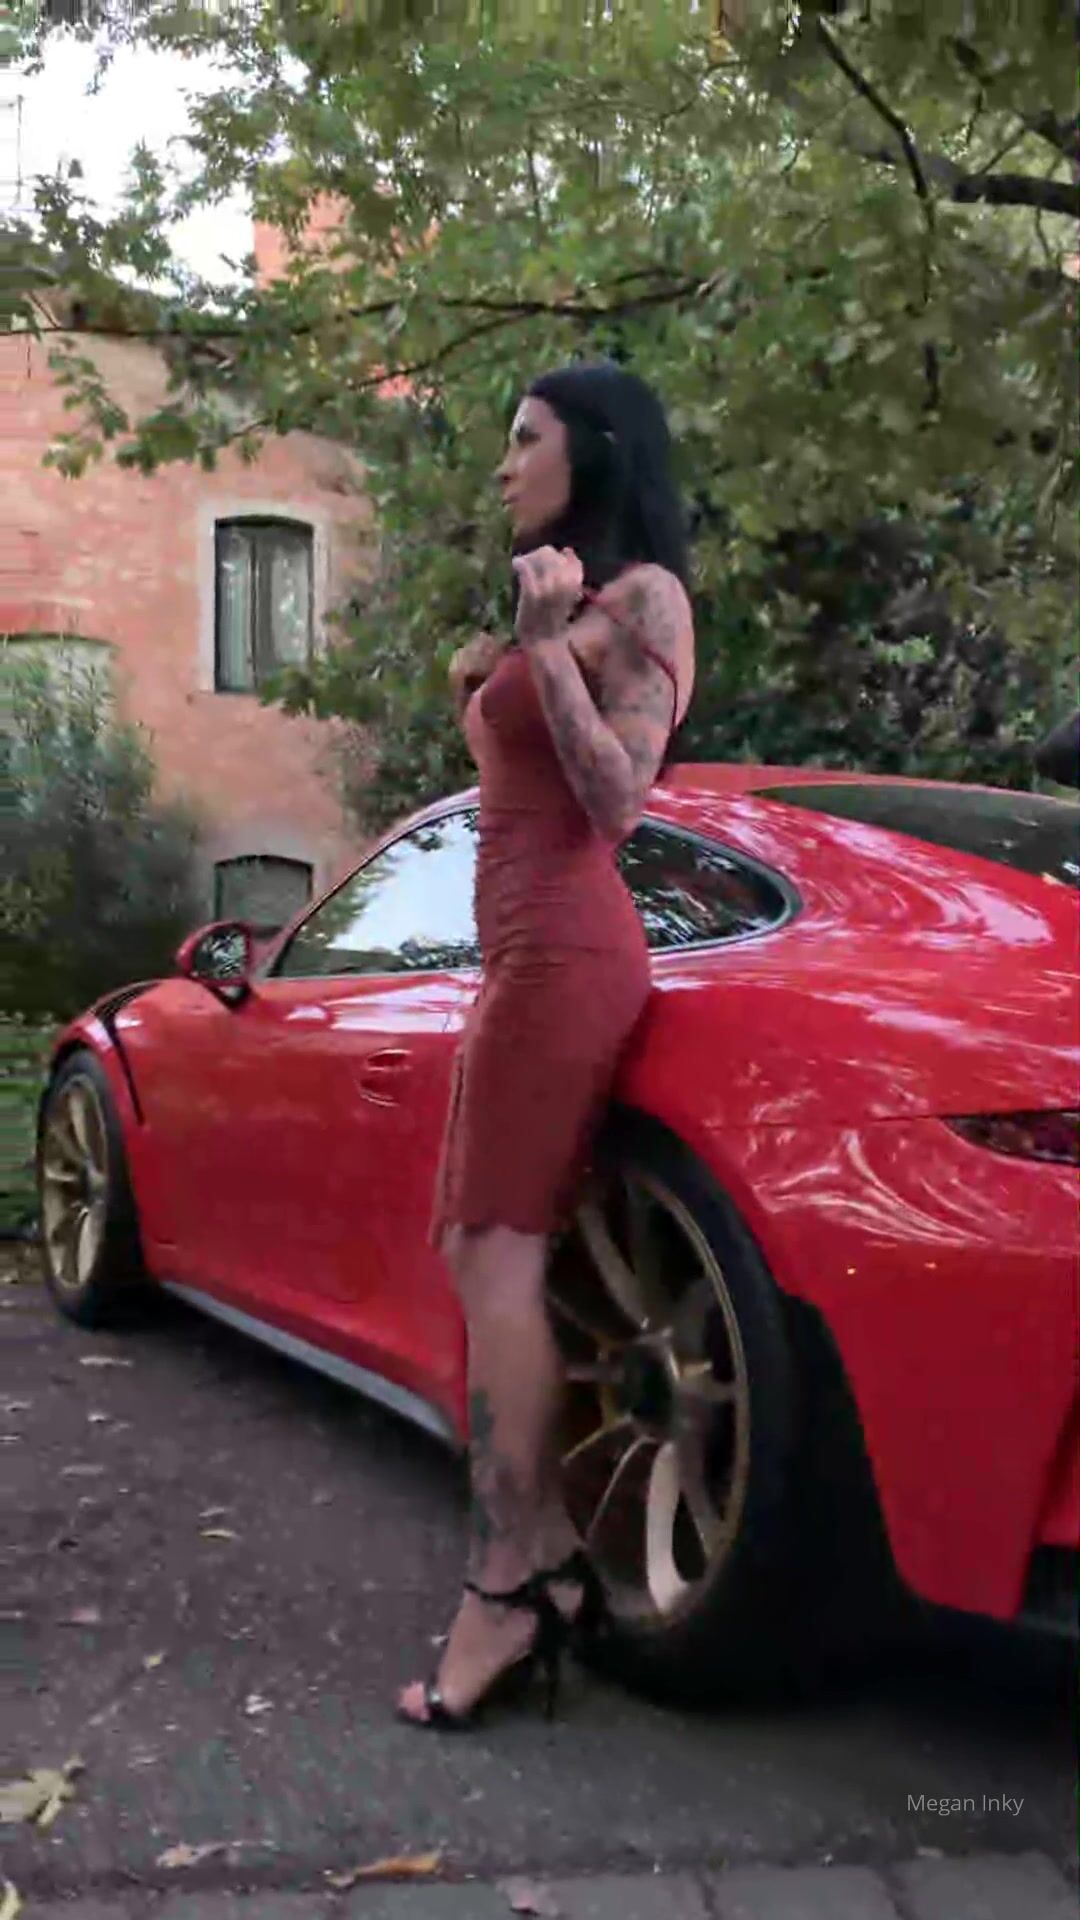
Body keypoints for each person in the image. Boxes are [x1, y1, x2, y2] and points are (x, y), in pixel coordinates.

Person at [396, 361, 695, 1730]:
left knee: (498, 1258)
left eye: (526, 439)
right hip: (515, 956)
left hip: (573, 952)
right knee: (481, 1253)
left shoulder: (646, 602)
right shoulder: (566, 608)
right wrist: (515, 651)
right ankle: (552, 1561)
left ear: (599, 452)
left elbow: (621, 800)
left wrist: (540, 651)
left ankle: (506, 1587)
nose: (504, 464)